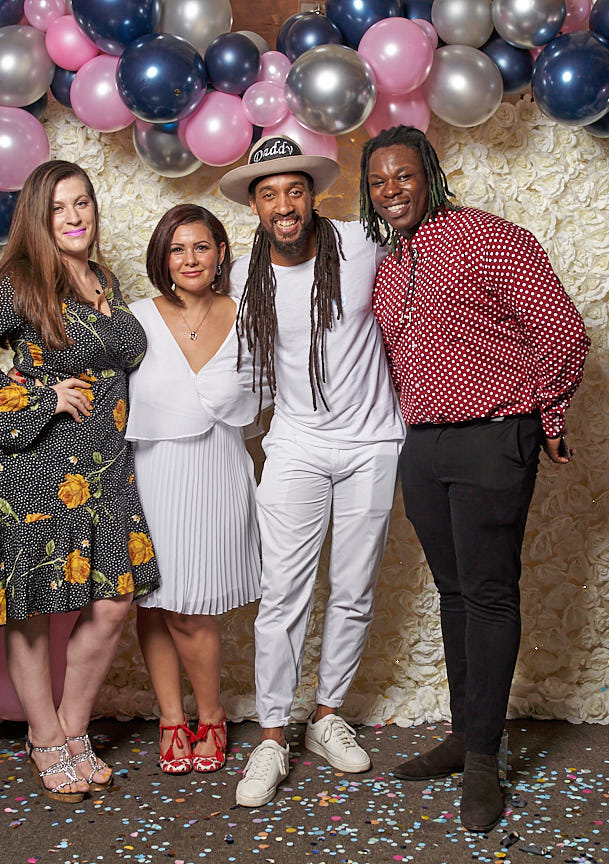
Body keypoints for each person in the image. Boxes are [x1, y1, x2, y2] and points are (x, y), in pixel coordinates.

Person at [359, 126, 590, 832]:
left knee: (489, 592)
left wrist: (548, 416)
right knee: (454, 593)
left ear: (428, 173)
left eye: (402, 175)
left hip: (495, 438)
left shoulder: (489, 238)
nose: (391, 190)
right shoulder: (390, 265)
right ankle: (465, 735)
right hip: (423, 446)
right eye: (377, 182)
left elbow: (562, 330)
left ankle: (486, 759)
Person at [0, 159, 160, 802]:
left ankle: (73, 727)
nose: (75, 217)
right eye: (60, 207)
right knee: (32, 612)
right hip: (36, 470)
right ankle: (45, 737)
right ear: (39, 217)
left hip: (106, 468)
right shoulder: (23, 281)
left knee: (113, 602)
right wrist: (35, 393)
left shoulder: (106, 283)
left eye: (83, 203)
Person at [218, 136, 406, 808]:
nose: (283, 204)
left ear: (312, 194)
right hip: (294, 443)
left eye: (293, 189)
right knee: (282, 595)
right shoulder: (243, 276)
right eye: (268, 194)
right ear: (255, 205)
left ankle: (327, 717)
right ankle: (272, 737)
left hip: (372, 444)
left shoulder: (364, 243)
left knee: (353, 589)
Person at [126, 204, 262, 774]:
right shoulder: (134, 318)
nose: (190, 259)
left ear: (220, 253)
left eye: (201, 247)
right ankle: (171, 720)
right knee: (156, 605)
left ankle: (211, 717)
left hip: (219, 468)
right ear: (162, 257)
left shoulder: (251, 313)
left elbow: (268, 398)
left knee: (192, 607)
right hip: (151, 472)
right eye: (177, 249)